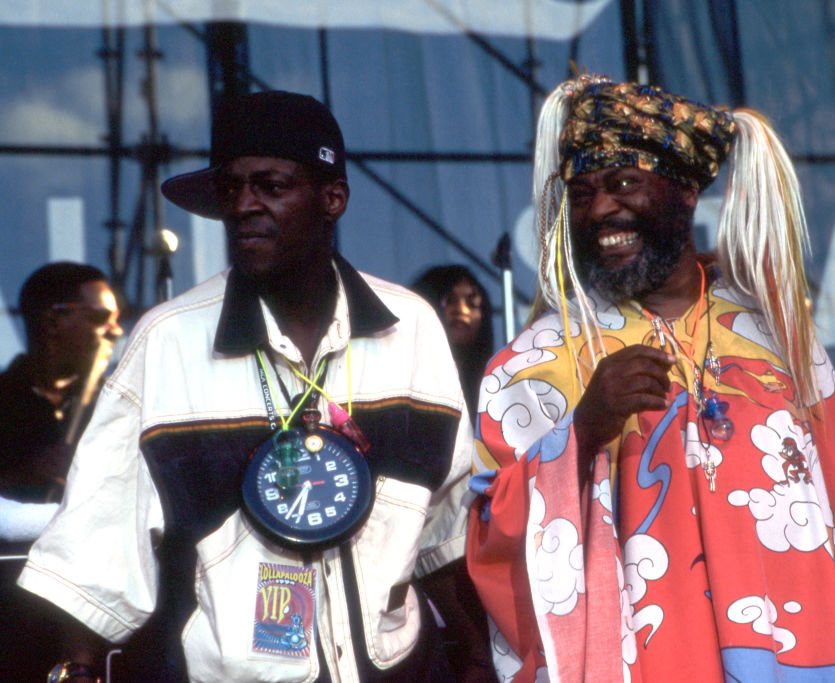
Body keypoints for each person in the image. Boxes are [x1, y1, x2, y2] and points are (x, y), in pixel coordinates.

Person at [466, 76, 835, 681]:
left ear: (686, 190)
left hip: (806, 653)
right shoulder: (536, 363)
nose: (598, 210)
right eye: (582, 193)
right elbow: (489, 538)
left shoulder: (776, 337)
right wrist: (583, 430)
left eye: (622, 183)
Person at [18, 91, 482, 682]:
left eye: (270, 186)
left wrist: (478, 657)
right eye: (231, 189)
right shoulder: (168, 340)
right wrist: (75, 671)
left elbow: (447, 530)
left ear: (332, 199)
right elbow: (95, 545)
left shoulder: (411, 328)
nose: (243, 205)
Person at [0, 261, 122, 681]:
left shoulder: (118, 408)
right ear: (53, 321)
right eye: (101, 318)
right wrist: (21, 475)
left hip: (96, 635)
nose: (116, 331)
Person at [410, 265, 495, 411]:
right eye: (450, 300)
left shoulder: (494, 389)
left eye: (472, 304)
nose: (461, 310)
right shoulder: (405, 378)